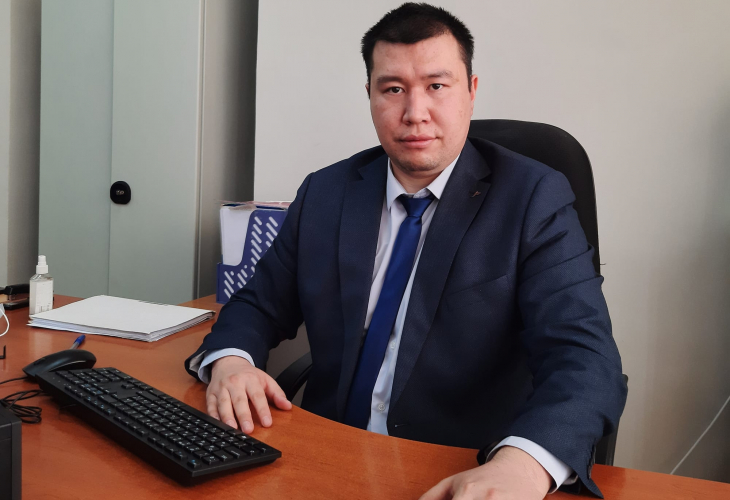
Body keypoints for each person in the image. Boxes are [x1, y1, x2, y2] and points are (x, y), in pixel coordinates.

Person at [186, 3, 627, 498]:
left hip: (455, 468)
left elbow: (585, 358)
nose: (415, 113)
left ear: (471, 91)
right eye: (393, 89)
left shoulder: (533, 198)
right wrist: (231, 361)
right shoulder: (327, 192)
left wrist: (523, 465)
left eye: (436, 86)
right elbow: (258, 303)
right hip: (325, 456)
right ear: (370, 96)